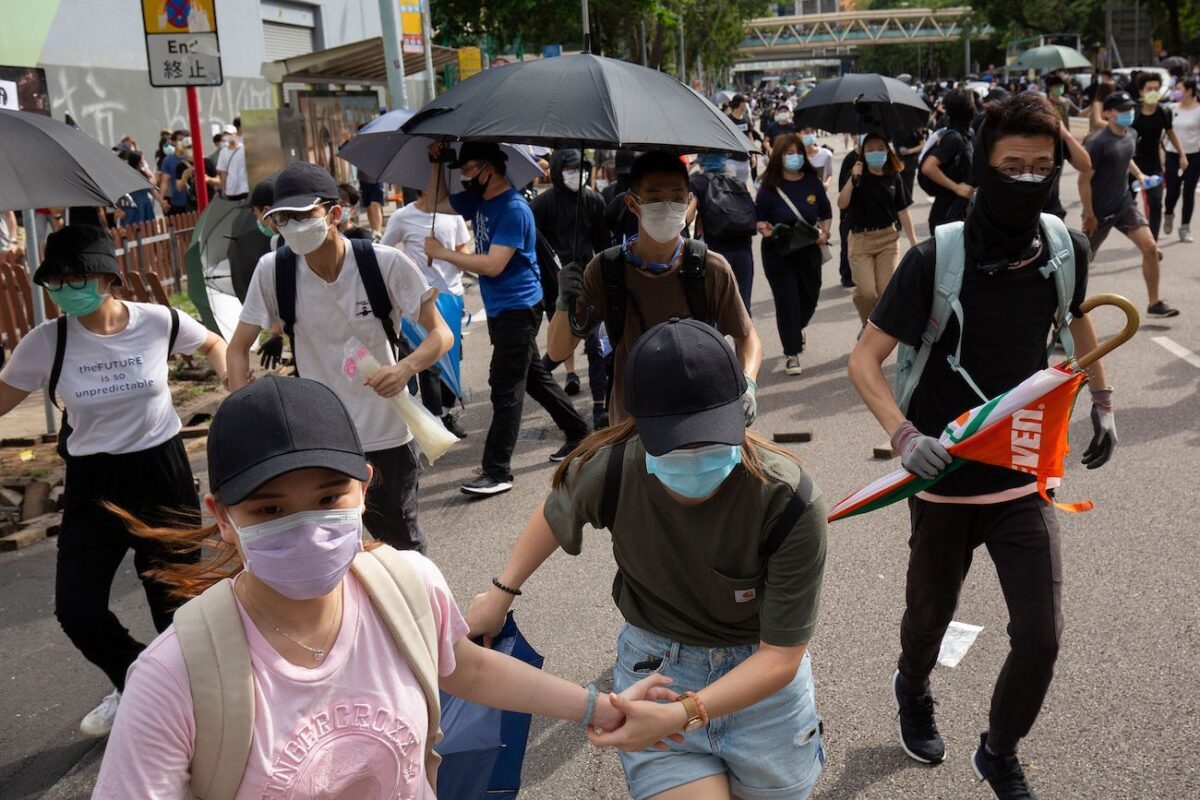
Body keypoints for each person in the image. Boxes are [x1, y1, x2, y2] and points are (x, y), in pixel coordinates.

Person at [91, 375, 676, 798]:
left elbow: (462, 667)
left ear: (365, 487)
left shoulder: (404, 585)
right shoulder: (175, 676)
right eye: (269, 509)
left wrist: (599, 708)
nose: (306, 525)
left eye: (327, 498)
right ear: (222, 516)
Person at [849, 92, 1118, 800]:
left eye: (1042, 167)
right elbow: (863, 360)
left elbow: (1078, 318)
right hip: (940, 483)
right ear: (983, 167)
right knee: (927, 621)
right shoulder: (937, 258)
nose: (1028, 180)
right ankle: (912, 685)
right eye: (1011, 167)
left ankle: (998, 753)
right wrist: (903, 435)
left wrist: (1104, 401)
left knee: (1041, 636)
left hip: (1020, 478)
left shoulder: (1064, 246)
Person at [468, 318, 828, 800]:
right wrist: (501, 592)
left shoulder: (788, 499)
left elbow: (781, 656)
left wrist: (686, 712)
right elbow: (556, 511)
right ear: (638, 426)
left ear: (743, 411)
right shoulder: (614, 466)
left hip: (763, 693)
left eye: (712, 437)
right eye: (676, 441)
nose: (695, 455)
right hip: (658, 673)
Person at [0, 225, 227, 738]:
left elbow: (213, 342)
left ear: (107, 278)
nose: (64, 289)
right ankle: (138, 680)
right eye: (55, 281)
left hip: (161, 473)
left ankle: (192, 710)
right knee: (77, 610)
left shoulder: (157, 322)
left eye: (75, 278)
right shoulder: (45, 342)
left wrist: (228, 377)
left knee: (174, 602)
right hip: (93, 483)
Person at [228, 162, 454, 551]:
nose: (292, 225)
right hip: (319, 435)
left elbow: (441, 334)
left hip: (386, 431)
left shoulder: (383, 263)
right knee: (330, 546)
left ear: (335, 214)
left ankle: (417, 610)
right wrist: (239, 397)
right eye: (283, 218)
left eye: (303, 215)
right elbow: (236, 347)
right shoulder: (273, 271)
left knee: (398, 544)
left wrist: (406, 368)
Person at [422, 141, 591, 496]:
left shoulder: (514, 208)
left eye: (468, 171)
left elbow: (494, 264)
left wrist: (445, 253)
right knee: (533, 378)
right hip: (501, 307)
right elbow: (435, 203)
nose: (465, 178)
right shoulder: (480, 201)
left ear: (489, 169)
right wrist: (437, 163)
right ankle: (579, 432)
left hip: (518, 306)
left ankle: (497, 470)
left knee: (505, 388)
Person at [548, 150, 762, 426]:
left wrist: (749, 383)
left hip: (702, 421)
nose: (667, 205)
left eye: (676, 197)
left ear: (689, 201)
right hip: (631, 426)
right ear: (632, 203)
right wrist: (564, 303)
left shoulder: (711, 267)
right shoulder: (605, 269)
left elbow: (747, 336)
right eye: (655, 198)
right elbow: (556, 351)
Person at [1079, 91, 1180, 318]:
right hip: (1099, 211)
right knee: (1081, 264)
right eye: (1122, 110)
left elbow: (1126, 159)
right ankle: (1065, 316)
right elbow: (1083, 180)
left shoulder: (1131, 134)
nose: (1128, 113)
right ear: (1107, 113)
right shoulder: (1097, 142)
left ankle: (1154, 304)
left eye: (1130, 109)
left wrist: (1141, 175)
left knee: (1150, 248)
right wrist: (1089, 214)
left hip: (1124, 204)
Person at [381, 188, 473, 437]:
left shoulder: (453, 214)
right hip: (423, 300)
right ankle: (435, 419)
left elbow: (463, 249)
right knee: (429, 361)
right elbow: (384, 251)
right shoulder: (402, 217)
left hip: (452, 295)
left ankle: (447, 412)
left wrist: (445, 253)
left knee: (453, 357)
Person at [532, 149, 612, 425]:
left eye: (581, 168)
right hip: (556, 286)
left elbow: (603, 243)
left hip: (588, 282)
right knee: (561, 344)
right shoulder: (542, 205)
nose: (576, 174)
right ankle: (542, 375)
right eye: (569, 168)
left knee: (594, 344)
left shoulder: (593, 200)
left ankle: (599, 405)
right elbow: (535, 244)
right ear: (557, 170)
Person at [755, 134, 831, 377]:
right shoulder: (768, 186)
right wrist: (763, 227)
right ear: (779, 156)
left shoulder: (812, 182)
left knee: (809, 298)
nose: (794, 157)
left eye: (798, 152)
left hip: (808, 250)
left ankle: (796, 329)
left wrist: (825, 232)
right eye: (788, 153)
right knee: (787, 301)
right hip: (778, 252)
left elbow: (826, 212)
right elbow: (759, 218)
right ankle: (792, 353)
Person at [838, 133, 917, 328]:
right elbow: (841, 204)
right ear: (862, 153)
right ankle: (868, 325)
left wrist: (914, 243)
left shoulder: (893, 176)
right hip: (860, 240)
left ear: (887, 151)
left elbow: (903, 211)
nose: (876, 153)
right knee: (866, 293)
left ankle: (875, 332)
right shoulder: (856, 174)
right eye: (870, 149)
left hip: (888, 240)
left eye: (880, 148)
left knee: (885, 292)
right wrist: (852, 178)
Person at [690, 152, 757, 314]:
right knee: (742, 306)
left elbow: (687, 216)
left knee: (714, 307)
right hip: (743, 249)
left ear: (701, 159)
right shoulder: (735, 181)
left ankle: (717, 340)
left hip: (715, 251)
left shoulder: (697, 182)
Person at [1130, 73, 1186, 241]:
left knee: (1156, 204)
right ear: (1141, 92)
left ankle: (1152, 241)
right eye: (1149, 89)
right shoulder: (1133, 112)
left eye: (1156, 88)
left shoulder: (1164, 111)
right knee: (1126, 207)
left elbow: (1170, 132)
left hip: (1154, 165)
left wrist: (1182, 154)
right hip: (1131, 166)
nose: (1153, 91)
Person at [920, 88, 976, 231]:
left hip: (958, 210)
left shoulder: (966, 134)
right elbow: (928, 167)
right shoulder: (954, 138)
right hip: (948, 213)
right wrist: (956, 187)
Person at [1163, 77, 1200, 242]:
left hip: (1194, 156)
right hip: (1173, 155)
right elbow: (1164, 133)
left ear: (1190, 91)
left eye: (1180, 89)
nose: (1176, 92)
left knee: (1189, 192)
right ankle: (1168, 213)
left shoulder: (1198, 110)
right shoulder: (1171, 108)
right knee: (1172, 191)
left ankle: (1185, 227)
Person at [725, 95, 763, 185]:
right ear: (739, 104)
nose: (745, 105)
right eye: (744, 103)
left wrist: (753, 156)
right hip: (731, 160)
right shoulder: (728, 119)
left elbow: (750, 137)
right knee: (731, 186)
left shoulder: (746, 118)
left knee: (742, 186)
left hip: (745, 159)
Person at [217, 120, 249, 203]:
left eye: (230, 134)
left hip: (245, 187)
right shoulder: (223, 152)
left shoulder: (244, 148)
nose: (228, 136)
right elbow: (223, 171)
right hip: (231, 189)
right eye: (226, 134)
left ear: (235, 134)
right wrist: (224, 189)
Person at [893, 127, 927, 200]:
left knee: (907, 190)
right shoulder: (893, 130)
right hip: (897, 163)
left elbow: (923, 144)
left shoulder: (912, 129)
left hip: (909, 164)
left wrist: (909, 151)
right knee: (897, 189)